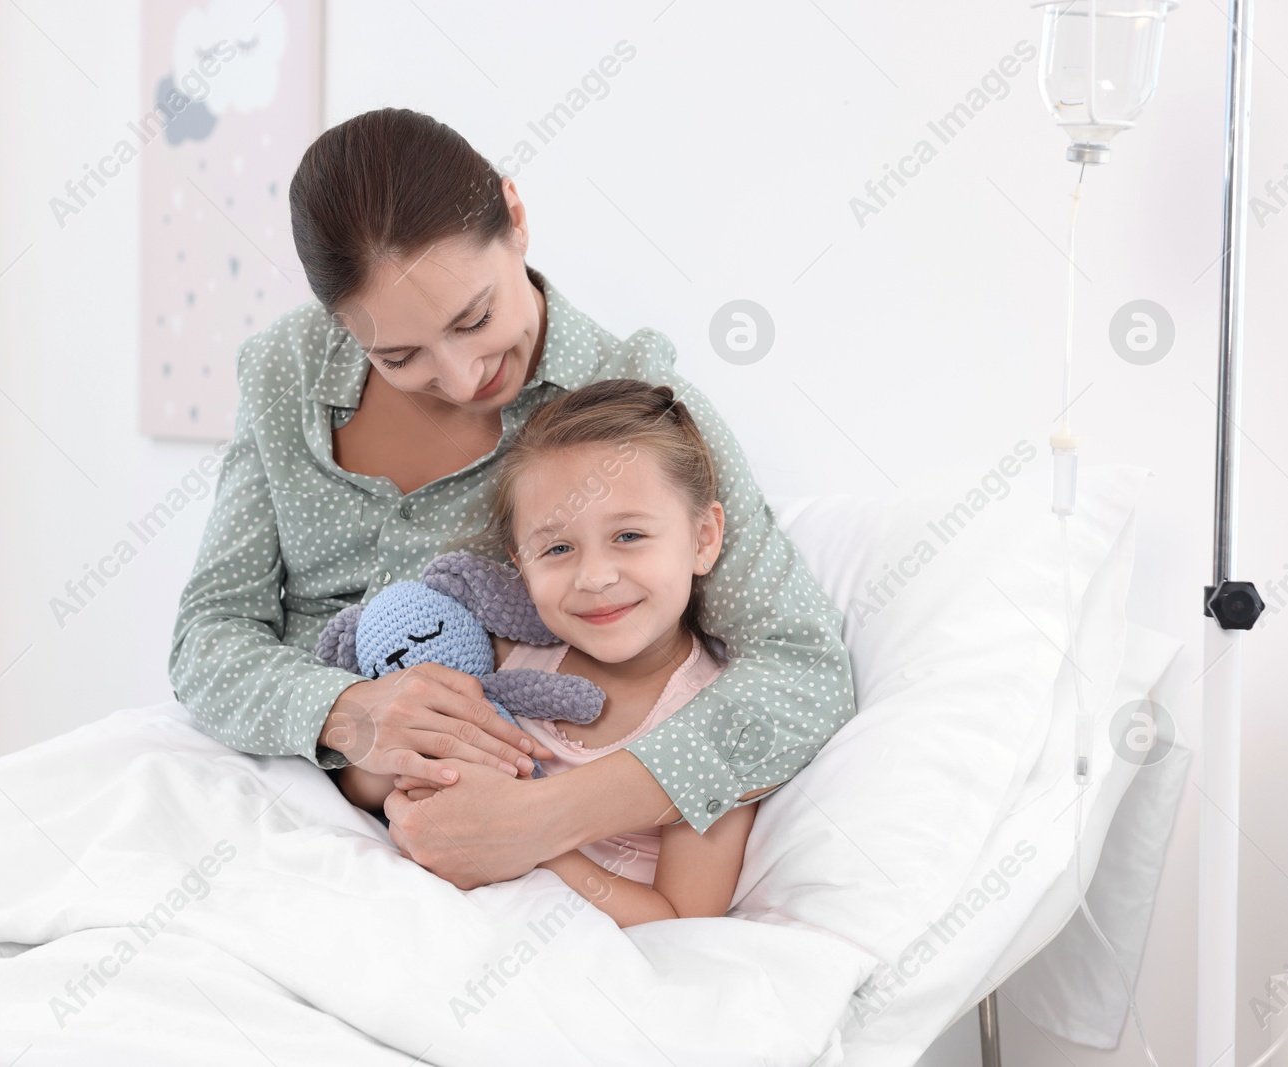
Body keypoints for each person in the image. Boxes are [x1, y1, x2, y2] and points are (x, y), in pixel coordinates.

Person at [166, 106, 856, 891]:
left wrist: (551, 815)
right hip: (273, 778)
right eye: (399, 355)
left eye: (475, 317)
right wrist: (350, 713)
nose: (462, 379)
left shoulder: (626, 408)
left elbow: (803, 669)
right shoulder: (283, 370)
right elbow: (211, 632)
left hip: (490, 822)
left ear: (516, 219)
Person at [339, 378, 755, 927]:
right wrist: (405, 773)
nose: (596, 576)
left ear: (703, 537)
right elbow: (363, 785)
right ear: (520, 563)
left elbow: (680, 917)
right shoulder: (506, 656)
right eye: (557, 548)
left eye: (629, 536)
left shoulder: (716, 724)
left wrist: (523, 838)